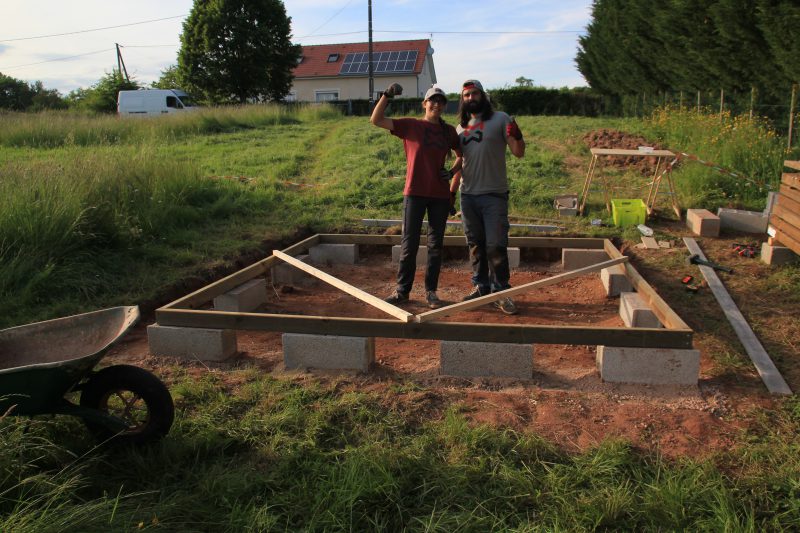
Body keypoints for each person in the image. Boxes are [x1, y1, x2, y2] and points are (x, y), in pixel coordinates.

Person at [370, 84, 462, 308]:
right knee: (409, 244)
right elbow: (377, 119)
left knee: (435, 245)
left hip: (439, 196)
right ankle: (403, 291)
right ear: (425, 103)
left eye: (441, 101)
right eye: (433, 100)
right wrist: (387, 95)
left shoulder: (448, 131)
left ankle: (431, 292)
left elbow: (462, 155)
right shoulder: (411, 126)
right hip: (414, 193)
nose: (436, 104)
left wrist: (450, 173)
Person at [451, 79, 525, 314]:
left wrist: (518, 135)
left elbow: (518, 153)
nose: (471, 98)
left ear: (483, 95)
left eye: (474, 93)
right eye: (466, 95)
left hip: (494, 194)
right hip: (469, 195)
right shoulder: (460, 129)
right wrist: (451, 191)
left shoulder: (501, 118)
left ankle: (501, 291)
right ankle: (481, 287)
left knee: (496, 245)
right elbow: (459, 162)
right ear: (462, 100)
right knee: (475, 245)